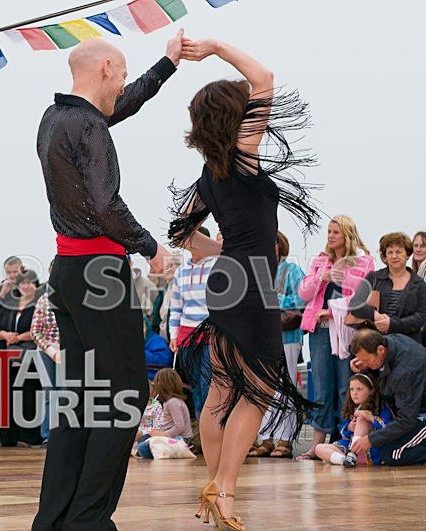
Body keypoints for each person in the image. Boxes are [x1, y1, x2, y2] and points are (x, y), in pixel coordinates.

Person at [169, 39, 320, 530]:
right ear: (234, 117)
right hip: (252, 283)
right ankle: (225, 491)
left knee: (219, 394)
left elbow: (181, 233)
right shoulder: (242, 156)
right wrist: (212, 47)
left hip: (227, 280)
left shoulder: (209, 175)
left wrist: (221, 250)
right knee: (254, 392)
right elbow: (265, 79)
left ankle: (217, 489)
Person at [32, 33, 181, 530]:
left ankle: (54, 520)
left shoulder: (56, 120)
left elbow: (125, 105)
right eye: (121, 74)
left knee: (79, 399)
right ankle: (89, 520)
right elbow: (106, 205)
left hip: (67, 273)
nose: (123, 83)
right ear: (105, 68)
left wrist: (167, 64)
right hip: (100, 273)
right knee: (125, 393)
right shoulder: (90, 127)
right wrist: (152, 248)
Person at [296, 216, 375, 461]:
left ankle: (343, 440)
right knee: (320, 387)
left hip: (347, 330)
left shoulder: (364, 261)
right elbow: (303, 293)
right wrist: (322, 277)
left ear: (347, 235)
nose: (330, 236)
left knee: (345, 387)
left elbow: (364, 295)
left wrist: (332, 311)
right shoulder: (320, 261)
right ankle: (317, 445)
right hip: (319, 330)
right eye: (329, 232)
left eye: (336, 233)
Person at [249, 231, 306, 459]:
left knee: (286, 389)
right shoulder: (256, 272)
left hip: (287, 337)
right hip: (261, 337)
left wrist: (272, 299)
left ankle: (285, 439)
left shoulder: (292, 270)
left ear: (280, 246)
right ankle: (266, 438)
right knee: (264, 389)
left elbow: (301, 299)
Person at [348, 330, 426, 465]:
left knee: (392, 454)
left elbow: (407, 419)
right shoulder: (388, 342)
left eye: (366, 359)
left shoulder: (406, 371)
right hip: (415, 409)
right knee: (383, 445)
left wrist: (371, 439)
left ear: (380, 350)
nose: (363, 363)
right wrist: (367, 367)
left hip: (418, 414)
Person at [168, 227, 218, 420]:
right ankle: (200, 430)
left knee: (208, 384)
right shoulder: (181, 271)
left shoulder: (216, 266)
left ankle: (209, 430)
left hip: (210, 335)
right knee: (194, 384)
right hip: (186, 335)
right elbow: (176, 306)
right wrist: (173, 335)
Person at [0, 269, 43, 447]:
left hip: (28, 357)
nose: (26, 285)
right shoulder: (9, 304)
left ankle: (28, 436)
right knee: (6, 398)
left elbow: (40, 329)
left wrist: (18, 337)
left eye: (30, 282)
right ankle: (8, 438)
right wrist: (6, 335)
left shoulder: (39, 304)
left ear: (36, 286)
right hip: (6, 357)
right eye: (23, 283)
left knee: (28, 397)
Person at [349, 232, 426, 342]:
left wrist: (391, 324)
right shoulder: (373, 277)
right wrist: (375, 315)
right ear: (385, 256)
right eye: (390, 252)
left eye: (399, 251)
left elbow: (421, 317)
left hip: (407, 346)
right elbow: (355, 304)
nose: (394, 256)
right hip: (373, 345)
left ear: (407, 254)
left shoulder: (419, 284)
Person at [314, 373, 391, 467]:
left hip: (370, 447)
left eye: (359, 389)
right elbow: (343, 432)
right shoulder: (351, 408)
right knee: (319, 448)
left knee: (362, 418)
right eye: (351, 389)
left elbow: (388, 427)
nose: (354, 393)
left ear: (371, 391)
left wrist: (370, 418)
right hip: (348, 445)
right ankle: (344, 460)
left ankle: (353, 453)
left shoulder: (381, 407)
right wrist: (349, 428)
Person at [132, 368, 192, 458]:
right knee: (145, 440)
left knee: (142, 448)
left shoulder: (173, 402)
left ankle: (137, 451)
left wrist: (164, 434)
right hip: (172, 436)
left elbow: (180, 426)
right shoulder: (169, 402)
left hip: (180, 439)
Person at [30, 280, 60, 447]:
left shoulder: (74, 299)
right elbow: (34, 332)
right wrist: (51, 350)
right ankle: (47, 434)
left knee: (65, 394)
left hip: (67, 352)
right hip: (45, 352)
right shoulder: (43, 300)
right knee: (50, 393)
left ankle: (63, 433)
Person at [0, 256, 24, 323]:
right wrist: (2, 294)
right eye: (8, 272)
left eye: (15, 272)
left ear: (22, 270)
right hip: (3, 331)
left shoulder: (30, 288)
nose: (12, 275)